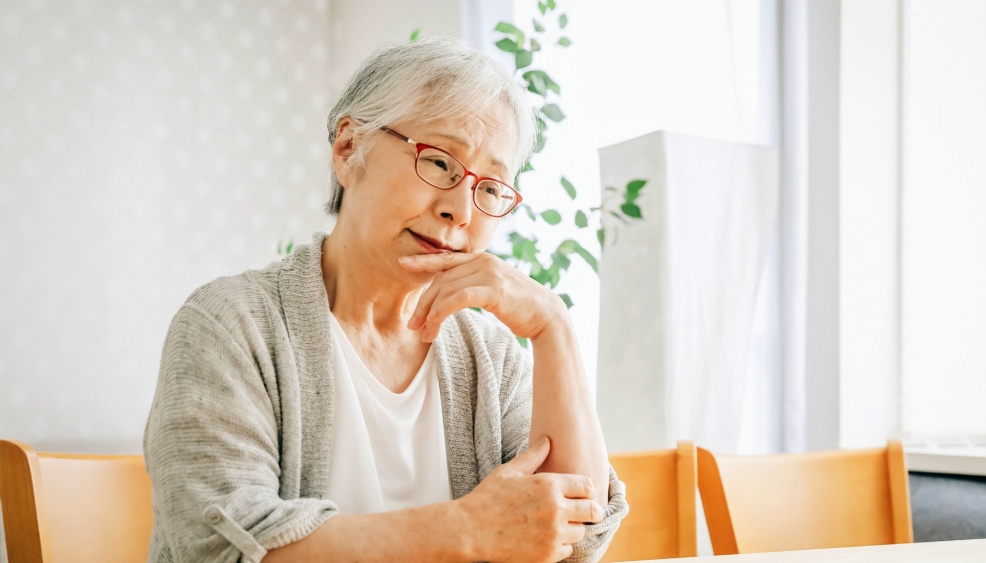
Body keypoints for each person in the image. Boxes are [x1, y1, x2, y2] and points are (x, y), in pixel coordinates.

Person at [143, 35, 627, 563]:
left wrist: (553, 327)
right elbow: (221, 550)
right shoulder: (230, 325)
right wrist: (465, 531)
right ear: (349, 149)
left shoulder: (489, 356)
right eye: (439, 163)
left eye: (490, 188)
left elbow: (575, 539)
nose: (461, 211)